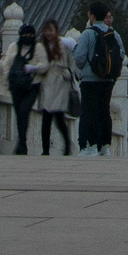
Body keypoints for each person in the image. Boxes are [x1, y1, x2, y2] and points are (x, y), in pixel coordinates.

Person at [75, 0, 124, 155]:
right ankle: (105, 146)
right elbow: (121, 55)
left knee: (88, 112)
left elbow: (79, 58)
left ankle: (88, 146)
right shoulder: (114, 34)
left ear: (92, 16)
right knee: (104, 111)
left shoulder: (87, 34)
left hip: (90, 79)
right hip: (107, 80)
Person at [31, 19, 77, 154]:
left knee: (59, 118)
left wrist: (69, 72)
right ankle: (45, 150)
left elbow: (72, 63)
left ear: (56, 30)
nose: (48, 33)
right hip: (46, 82)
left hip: (61, 83)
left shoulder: (64, 46)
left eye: (50, 30)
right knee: (46, 118)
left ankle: (67, 146)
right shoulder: (41, 46)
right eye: (45, 30)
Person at [7, 21, 42, 155]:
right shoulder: (13, 48)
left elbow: (45, 65)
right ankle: (22, 142)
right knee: (19, 114)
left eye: (30, 34)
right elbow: (7, 65)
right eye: (25, 33)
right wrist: (8, 83)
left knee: (24, 111)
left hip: (32, 86)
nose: (27, 36)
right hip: (16, 86)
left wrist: (32, 68)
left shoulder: (38, 48)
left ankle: (22, 143)